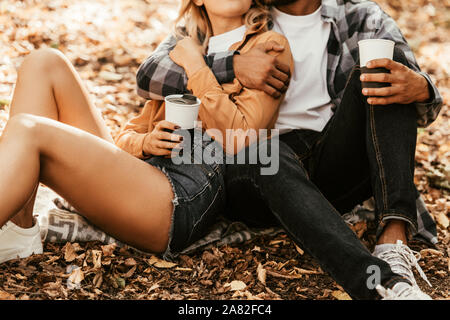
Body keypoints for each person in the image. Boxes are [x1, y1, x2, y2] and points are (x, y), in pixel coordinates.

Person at [135, 0, 443, 299]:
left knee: (383, 74)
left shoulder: (360, 16)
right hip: (254, 162)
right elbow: (149, 75)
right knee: (271, 154)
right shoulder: (241, 11)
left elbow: (411, 82)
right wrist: (232, 65)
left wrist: (423, 88)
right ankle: (381, 286)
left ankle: (393, 241)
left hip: (328, 155)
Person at [0, 1, 292, 264]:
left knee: (28, 130)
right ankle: (19, 229)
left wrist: (196, 66)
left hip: (180, 194)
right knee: (44, 62)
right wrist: (146, 142)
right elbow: (127, 135)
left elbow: (239, 139)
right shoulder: (181, 44)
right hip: (141, 175)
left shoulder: (267, 45)